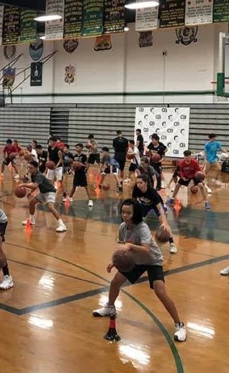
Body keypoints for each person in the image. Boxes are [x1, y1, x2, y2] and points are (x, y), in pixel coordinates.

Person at [92, 199, 187, 343]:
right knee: (115, 282)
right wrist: (115, 262)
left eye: (128, 213)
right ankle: (110, 308)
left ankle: (179, 325)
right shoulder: (123, 228)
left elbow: (146, 249)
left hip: (152, 260)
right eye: (123, 212)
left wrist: (129, 246)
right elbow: (124, 249)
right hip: (136, 261)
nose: (125, 215)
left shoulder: (143, 228)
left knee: (160, 291)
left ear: (135, 213)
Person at [18, 161, 67, 232]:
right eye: (28, 168)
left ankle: (62, 225)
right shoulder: (33, 175)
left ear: (36, 168)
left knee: (50, 206)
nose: (29, 169)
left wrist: (23, 185)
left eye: (31, 168)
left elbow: (35, 185)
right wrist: (31, 192)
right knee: (32, 203)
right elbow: (35, 186)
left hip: (50, 192)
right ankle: (31, 220)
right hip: (43, 192)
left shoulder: (39, 175)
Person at [133, 174, 177, 254]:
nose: (138, 185)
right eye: (137, 183)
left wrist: (164, 222)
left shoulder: (152, 192)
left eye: (141, 183)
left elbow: (160, 208)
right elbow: (134, 202)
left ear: (146, 183)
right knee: (136, 220)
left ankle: (172, 244)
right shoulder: (136, 189)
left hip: (156, 206)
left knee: (164, 224)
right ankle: (136, 239)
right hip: (144, 205)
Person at [68, 143, 94, 208]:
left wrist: (81, 165)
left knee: (86, 187)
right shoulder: (74, 156)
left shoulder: (84, 156)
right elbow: (73, 165)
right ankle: (69, 198)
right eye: (75, 147)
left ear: (81, 148)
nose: (76, 149)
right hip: (76, 173)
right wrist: (71, 169)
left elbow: (87, 166)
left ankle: (90, 200)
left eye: (77, 147)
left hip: (82, 173)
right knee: (74, 186)